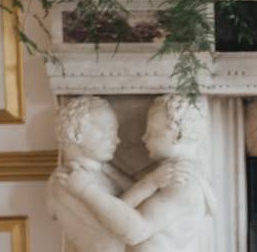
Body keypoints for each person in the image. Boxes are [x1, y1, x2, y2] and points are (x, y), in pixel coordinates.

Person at [60, 94, 216, 252]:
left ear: (178, 135)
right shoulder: (167, 172)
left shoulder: (182, 180)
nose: (144, 138)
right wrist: (107, 169)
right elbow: (123, 206)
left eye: (153, 132)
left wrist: (86, 191)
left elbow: (135, 232)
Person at [48, 96, 132, 252]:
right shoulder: (65, 180)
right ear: (76, 133)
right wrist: (152, 183)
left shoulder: (98, 174)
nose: (117, 140)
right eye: (107, 131)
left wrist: (113, 172)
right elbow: (124, 228)